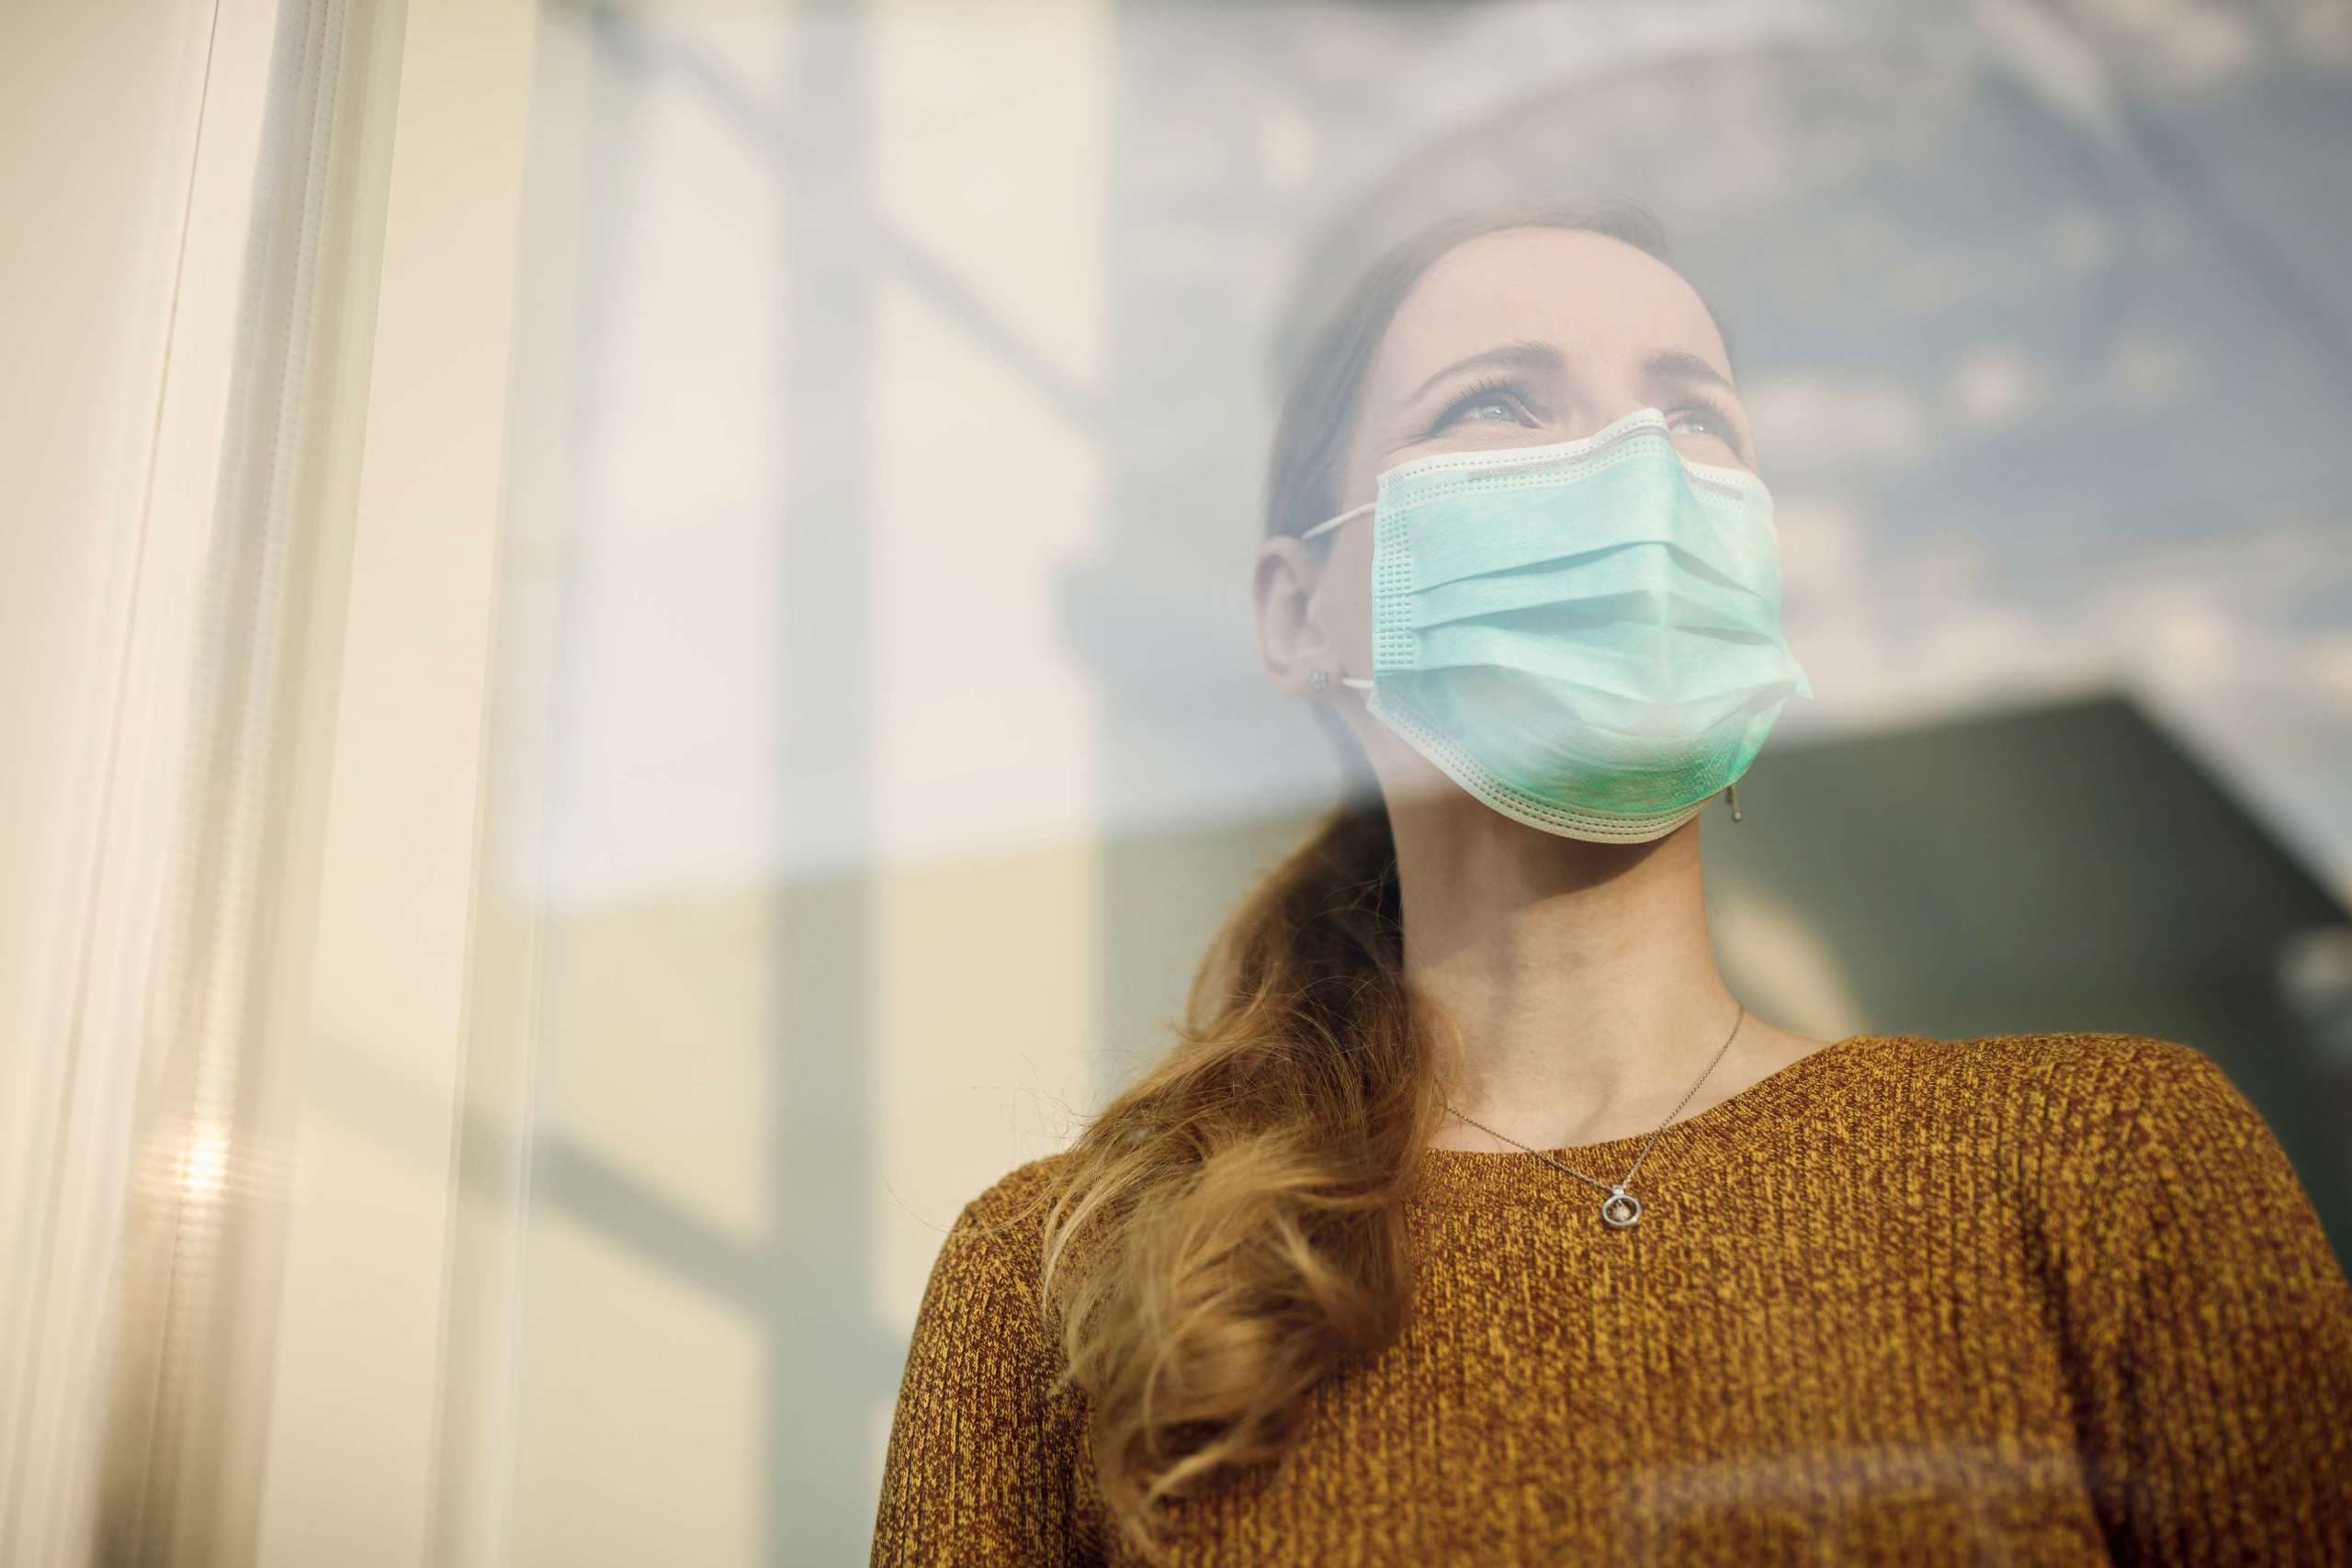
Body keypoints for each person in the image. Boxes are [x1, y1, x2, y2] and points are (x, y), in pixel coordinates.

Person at [868, 196, 2352, 1565]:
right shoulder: (1062, 1288)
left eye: (1694, 414)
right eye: (1499, 403)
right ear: (1299, 610)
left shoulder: (2110, 1169)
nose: (1637, 475)